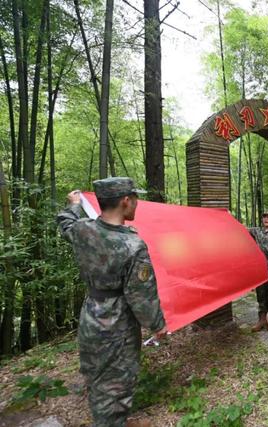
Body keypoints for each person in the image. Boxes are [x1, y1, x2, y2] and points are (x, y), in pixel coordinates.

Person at [57, 177, 167, 427]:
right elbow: (141, 297)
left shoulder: (83, 230)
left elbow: (66, 223)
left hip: (91, 317)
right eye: (135, 199)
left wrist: (74, 204)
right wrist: (158, 325)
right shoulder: (132, 245)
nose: (137, 204)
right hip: (118, 326)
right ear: (126, 201)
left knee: (97, 379)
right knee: (117, 386)